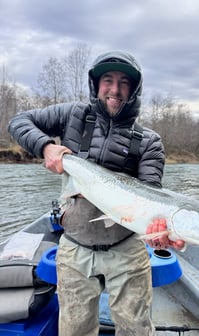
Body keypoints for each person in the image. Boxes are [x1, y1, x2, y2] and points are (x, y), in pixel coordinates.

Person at [8, 51, 184, 336]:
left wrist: (159, 236)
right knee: (74, 328)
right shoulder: (72, 115)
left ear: (134, 89)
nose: (114, 90)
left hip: (127, 247)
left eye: (124, 82)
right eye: (108, 80)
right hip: (75, 245)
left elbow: (150, 196)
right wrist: (46, 147)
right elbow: (18, 122)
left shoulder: (150, 141)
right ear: (96, 84)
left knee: (137, 329)